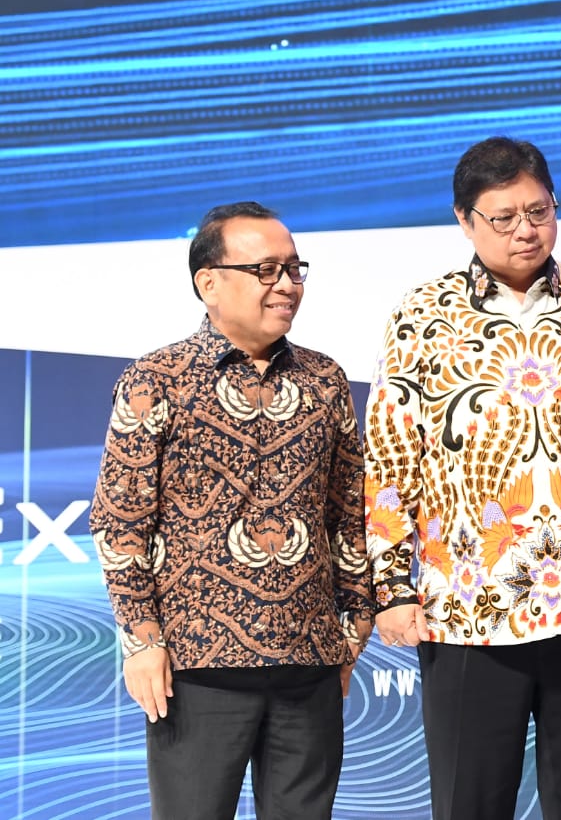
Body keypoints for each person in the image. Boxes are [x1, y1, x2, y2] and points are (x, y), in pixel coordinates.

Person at [364, 136, 561, 820]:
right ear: (464, 220)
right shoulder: (422, 315)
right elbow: (388, 457)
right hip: (468, 601)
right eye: (503, 217)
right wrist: (388, 588)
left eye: (539, 210)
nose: (526, 229)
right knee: (471, 802)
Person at [89, 201, 373, 819]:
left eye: (295, 269)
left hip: (309, 665)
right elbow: (120, 522)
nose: (287, 285)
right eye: (266, 270)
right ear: (208, 282)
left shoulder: (327, 380)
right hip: (196, 667)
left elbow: (349, 516)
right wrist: (142, 641)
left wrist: (352, 634)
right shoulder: (155, 379)